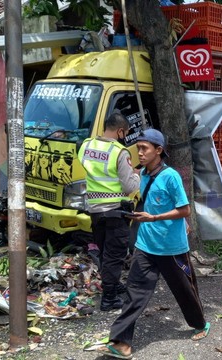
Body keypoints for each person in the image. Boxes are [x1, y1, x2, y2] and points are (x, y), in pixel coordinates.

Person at [98, 129, 210, 359]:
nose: (140, 152)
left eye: (144, 148)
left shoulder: (171, 177)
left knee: (185, 290)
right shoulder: (143, 175)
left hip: (172, 248)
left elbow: (185, 209)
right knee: (134, 293)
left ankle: (200, 324)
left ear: (158, 151)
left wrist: (155, 218)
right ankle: (121, 343)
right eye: (138, 148)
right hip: (146, 246)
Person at [77, 113, 140, 311]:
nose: (124, 136)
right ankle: (109, 298)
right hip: (115, 211)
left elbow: (93, 170)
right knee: (115, 255)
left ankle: (111, 284)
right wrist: (137, 175)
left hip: (95, 210)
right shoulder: (119, 152)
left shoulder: (87, 145)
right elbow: (129, 187)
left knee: (105, 252)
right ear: (120, 131)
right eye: (125, 132)